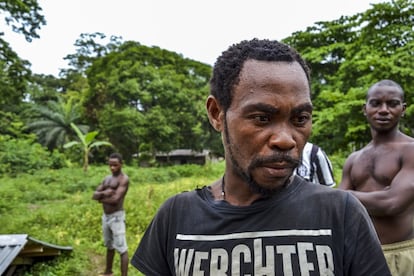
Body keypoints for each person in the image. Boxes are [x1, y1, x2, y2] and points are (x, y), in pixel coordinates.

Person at [131, 39, 390, 275]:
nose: (285, 139)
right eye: (262, 118)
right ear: (217, 114)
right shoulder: (176, 217)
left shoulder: (340, 214)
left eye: (300, 119)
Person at [339, 79, 414, 275]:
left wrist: (346, 196)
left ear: (403, 109)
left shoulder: (410, 151)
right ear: (365, 109)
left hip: (403, 254)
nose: (383, 110)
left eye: (392, 103)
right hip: (362, 255)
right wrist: (378, 196)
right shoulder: (354, 159)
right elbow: (339, 207)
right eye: (376, 103)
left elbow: (392, 203)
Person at [93, 152, 129, 276]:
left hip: (117, 217)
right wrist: (107, 193)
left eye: (115, 165)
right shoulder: (107, 179)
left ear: (121, 164)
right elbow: (94, 195)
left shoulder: (123, 179)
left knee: (122, 248)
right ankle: (108, 272)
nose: (112, 168)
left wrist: (101, 197)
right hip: (106, 217)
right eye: (110, 165)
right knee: (109, 245)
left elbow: (116, 200)